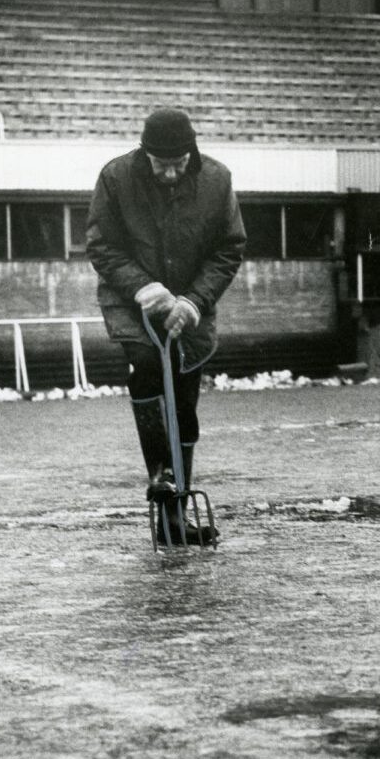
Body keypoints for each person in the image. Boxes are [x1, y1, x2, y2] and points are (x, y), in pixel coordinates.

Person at [86, 107, 246, 545]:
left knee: (185, 396)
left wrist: (194, 301)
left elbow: (228, 249)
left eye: (178, 164)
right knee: (146, 364)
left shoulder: (217, 180)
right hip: (132, 303)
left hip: (192, 305)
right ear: (145, 154)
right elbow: (101, 244)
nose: (171, 174)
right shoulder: (116, 178)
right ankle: (161, 471)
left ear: (191, 154)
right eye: (161, 165)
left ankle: (173, 514)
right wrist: (144, 288)